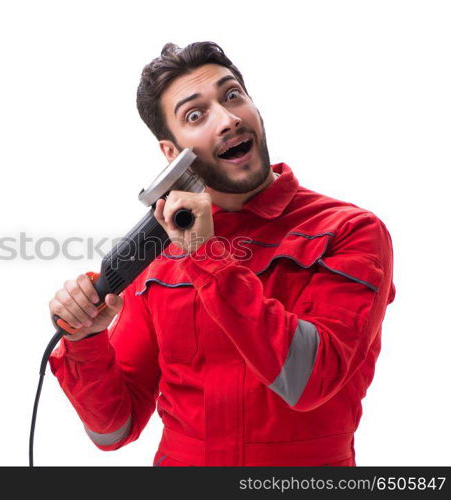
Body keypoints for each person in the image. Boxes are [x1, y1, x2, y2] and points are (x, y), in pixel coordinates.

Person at [47, 41, 395, 466]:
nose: (228, 119)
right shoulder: (159, 253)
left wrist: (206, 255)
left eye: (232, 96)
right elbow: (113, 428)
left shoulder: (350, 231)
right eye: (196, 114)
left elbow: (309, 380)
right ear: (174, 156)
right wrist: (86, 340)